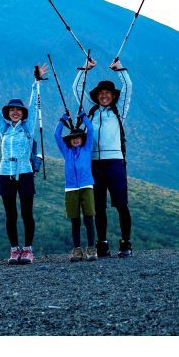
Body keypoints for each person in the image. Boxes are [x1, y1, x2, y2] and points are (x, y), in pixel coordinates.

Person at [0, 64, 49, 265]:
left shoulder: (28, 127)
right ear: (9, 113)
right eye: (12, 110)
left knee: (26, 213)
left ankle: (28, 250)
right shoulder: (3, 128)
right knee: (11, 214)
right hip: (5, 172)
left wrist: (36, 83)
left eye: (18, 110)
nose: (15, 113)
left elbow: (34, 106)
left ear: (23, 113)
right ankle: (15, 250)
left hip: (25, 171)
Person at [72, 58, 133, 258]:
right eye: (101, 93)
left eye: (108, 93)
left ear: (113, 96)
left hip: (115, 162)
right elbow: (76, 88)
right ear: (97, 96)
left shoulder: (119, 111)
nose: (104, 96)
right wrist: (85, 69)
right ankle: (102, 243)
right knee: (98, 206)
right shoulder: (89, 112)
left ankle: (125, 242)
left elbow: (128, 87)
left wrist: (120, 69)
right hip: (94, 164)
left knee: (121, 204)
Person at [54, 112, 97, 262]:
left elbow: (90, 130)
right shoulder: (66, 152)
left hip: (86, 187)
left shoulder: (87, 149)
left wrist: (83, 117)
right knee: (75, 220)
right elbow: (56, 134)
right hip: (71, 189)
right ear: (70, 141)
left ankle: (91, 248)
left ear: (82, 139)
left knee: (89, 218)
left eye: (78, 137)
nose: (76, 139)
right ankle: (77, 250)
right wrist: (63, 119)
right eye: (73, 138)